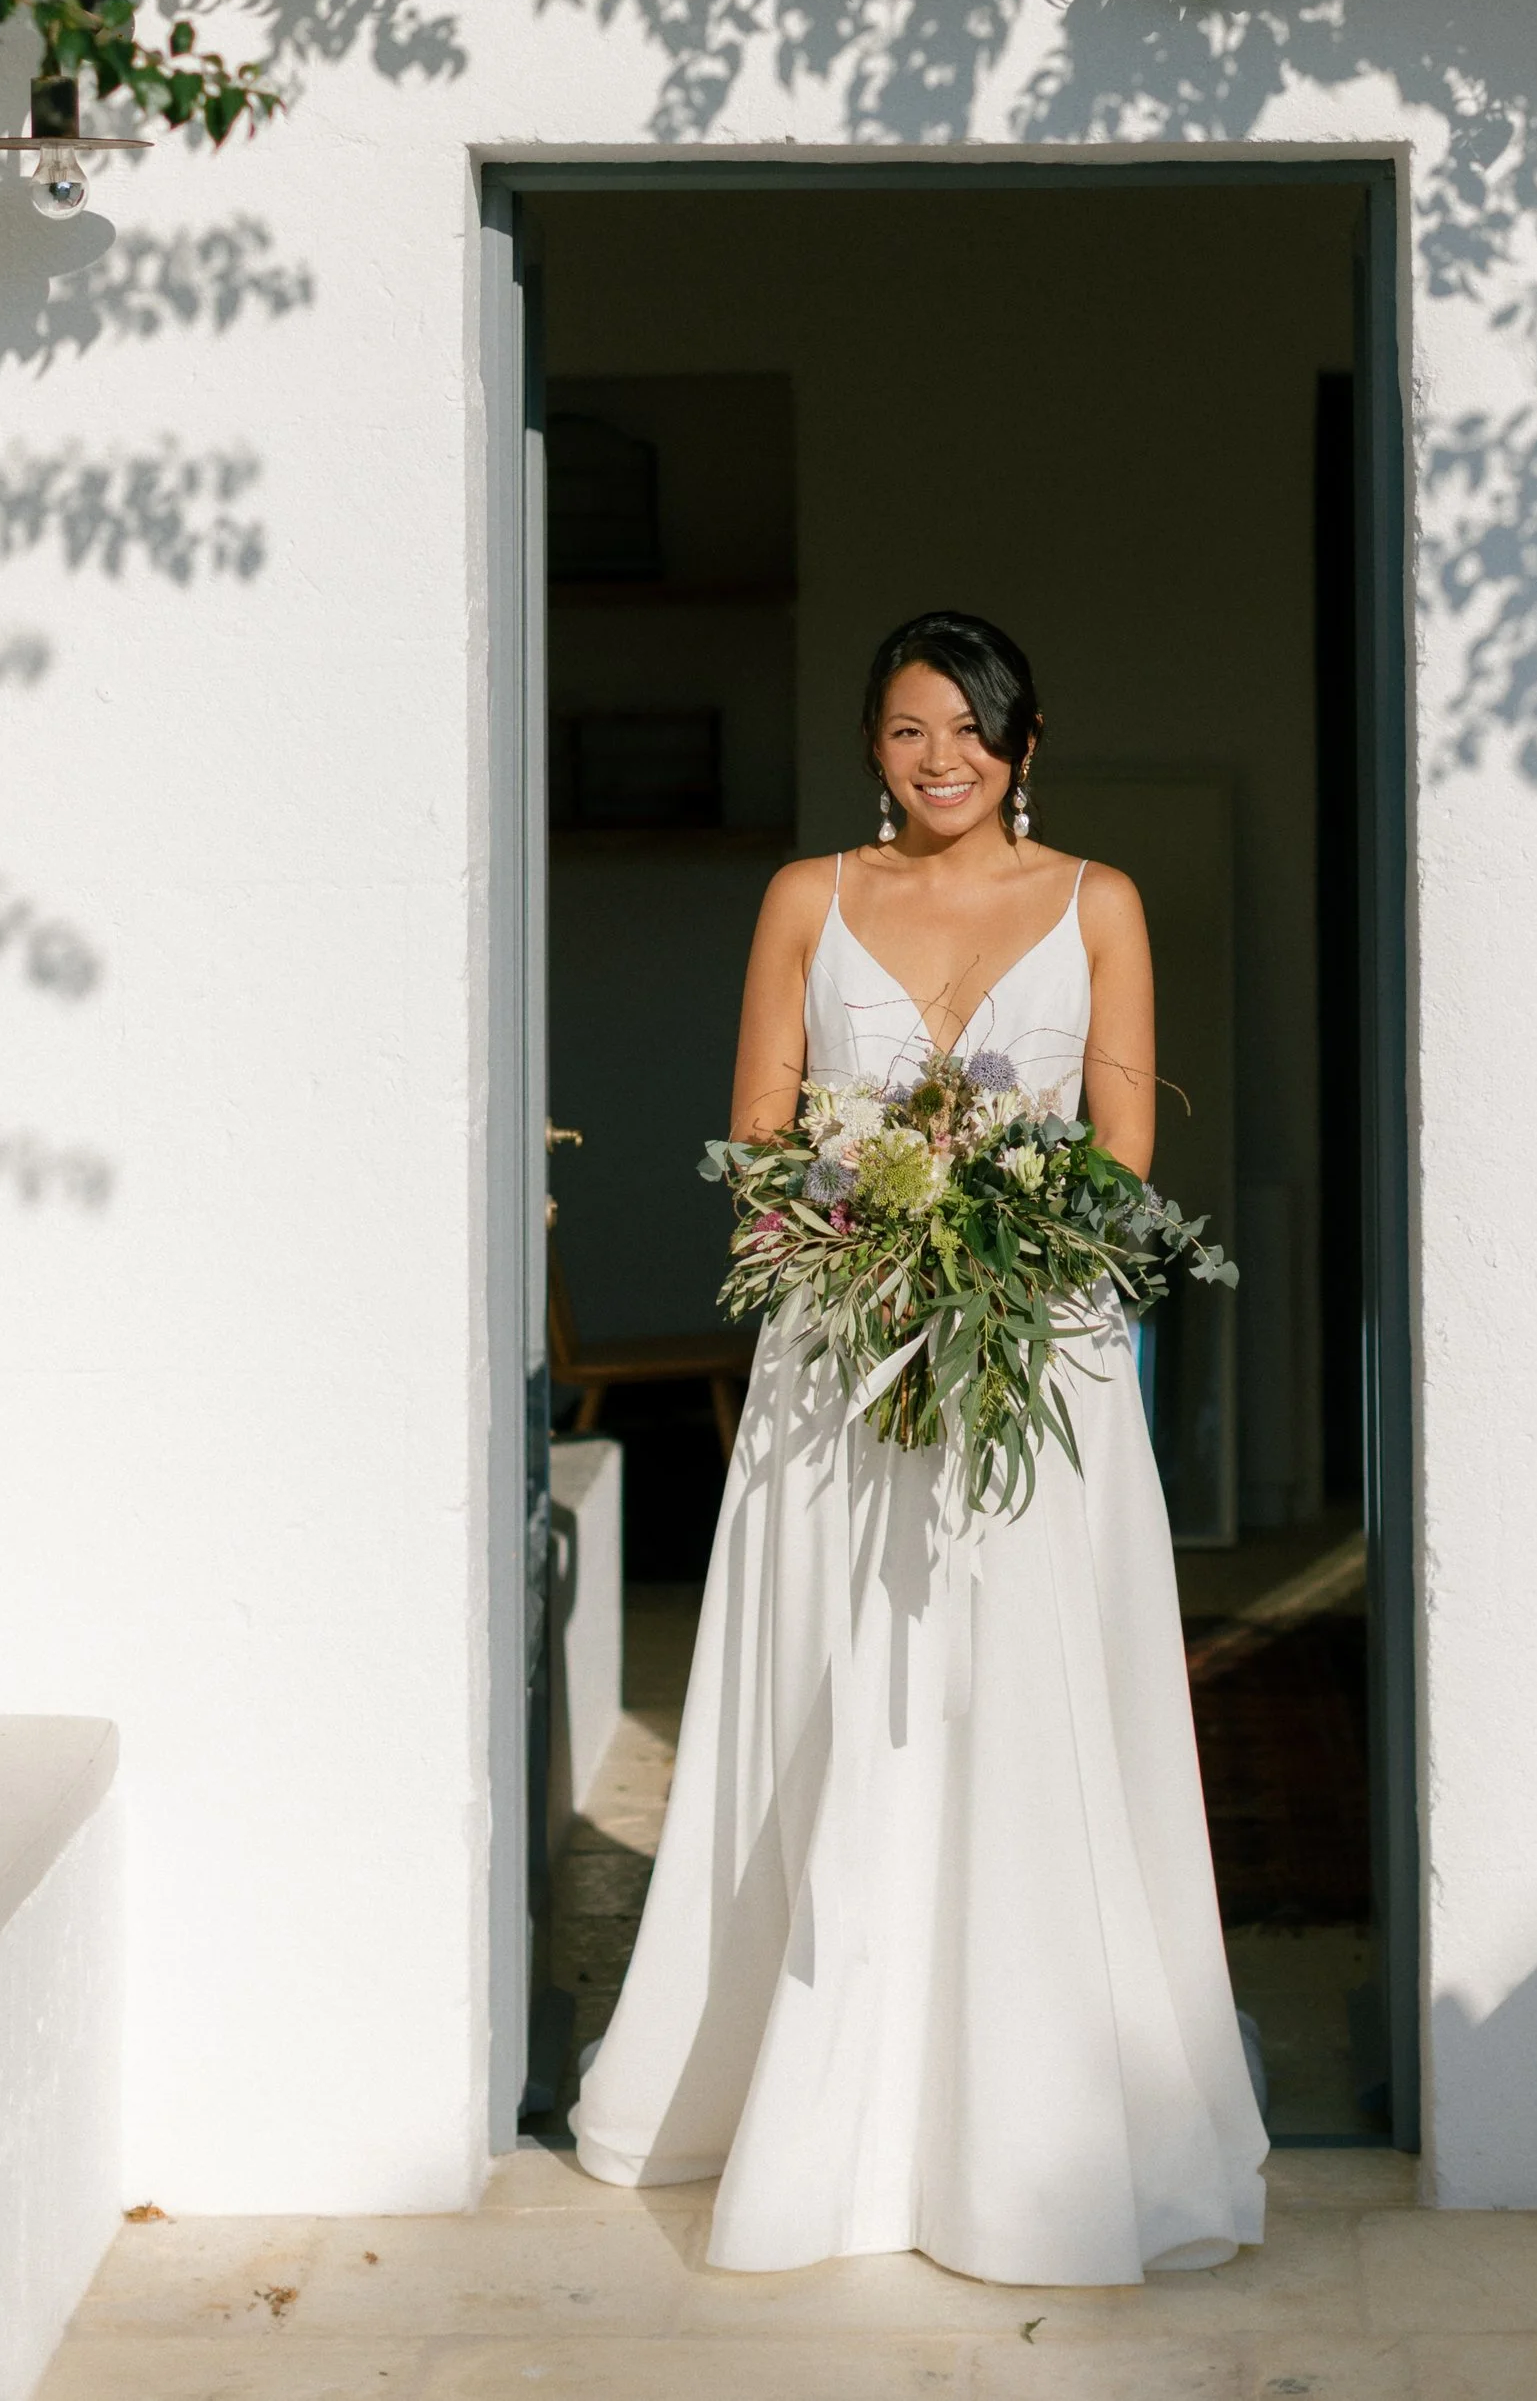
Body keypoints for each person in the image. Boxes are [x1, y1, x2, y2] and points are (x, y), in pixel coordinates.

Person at [570, 609, 1267, 2283]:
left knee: (1025, 1708)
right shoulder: (806, 898)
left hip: (1040, 1369)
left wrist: (1000, 1248)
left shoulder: (1101, 905)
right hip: (844, 1368)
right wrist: (876, 1246)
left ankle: (1035, 2123)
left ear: (1028, 743)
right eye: (903, 728)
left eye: (966, 726)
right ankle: (836, 2124)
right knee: (848, 1696)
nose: (936, 756)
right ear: (869, 744)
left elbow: (1116, 1157)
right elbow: (755, 1146)